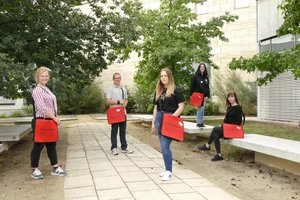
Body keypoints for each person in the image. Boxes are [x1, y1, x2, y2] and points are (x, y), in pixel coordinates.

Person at [31, 66, 66, 179]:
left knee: (52, 145)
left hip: (50, 120)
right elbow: (41, 108)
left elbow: (52, 106)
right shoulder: (37, 90)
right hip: (41, 121)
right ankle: (34, 169)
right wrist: (54, 118)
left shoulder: (47, 89)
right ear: (38, 77)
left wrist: (55, 117)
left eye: (46, 76)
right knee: (38, 145)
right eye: (42, 76)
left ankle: (55, 168)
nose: (44, 78)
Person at [151, 68, 184, 181]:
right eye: (161, 76)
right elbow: (155, 108)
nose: (163, 78)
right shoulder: (159, 91)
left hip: (170, 118)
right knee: (163, 146)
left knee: (165, 146)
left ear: (169, 77)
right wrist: (153, 123)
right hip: (160, 118)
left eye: (165, 76)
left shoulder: (176, 90)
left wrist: (171, 119)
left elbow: (181, 107)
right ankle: (166, 169)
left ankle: (169, 171)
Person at [195, 91, 244, 161]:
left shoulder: (238, 108)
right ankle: (219, 155)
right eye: (229, 97)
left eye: (232, 97)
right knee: (216, 135)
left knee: (215, 128)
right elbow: (226, 120)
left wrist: (229, 125)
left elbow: (239, 121)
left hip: (233, 131)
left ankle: (207, 145)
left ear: (235, 97)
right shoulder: (229, 107)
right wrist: (223, 125)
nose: (230, 98)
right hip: (227, 130)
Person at [106, 72, 133, 155]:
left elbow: (126, 99)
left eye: (119, 78)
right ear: (113, 79)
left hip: (122, 113)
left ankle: (124, 147)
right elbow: (108, 101)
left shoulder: (123, 89)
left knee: (122, 131)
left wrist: (124, 105)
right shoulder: (110, 89)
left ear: (120, 79)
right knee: (114, 131)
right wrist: (118, 102)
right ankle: (114, 148)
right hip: (114, 113)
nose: (117, 79)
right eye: (116, 78)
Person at [190, 63, 210, 127]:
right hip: (197, 95)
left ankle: (201, 122)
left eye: (203, 67)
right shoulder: (195, 77)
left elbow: (207, 87)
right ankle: (198, 122)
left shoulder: (206, 77)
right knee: (199, 109)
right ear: (199, 68)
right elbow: (192, 87)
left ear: (205, 69)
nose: (202, 68)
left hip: (204, 96)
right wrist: (191, 95)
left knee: (202, 109)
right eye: (201, 67)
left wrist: (207, 96)